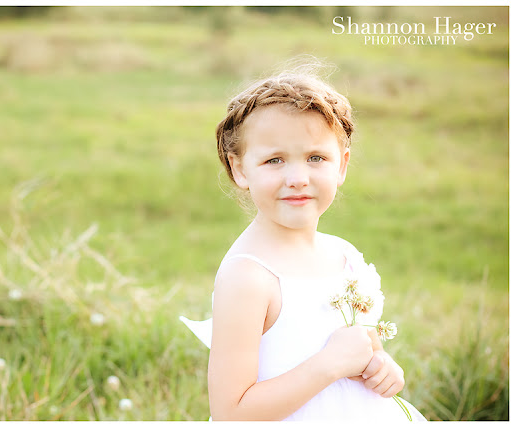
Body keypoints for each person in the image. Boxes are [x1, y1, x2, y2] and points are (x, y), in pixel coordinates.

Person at [180, 61, 426, 421]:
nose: (297, 177)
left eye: (315, 158)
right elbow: (231, 412)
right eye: (274, 160)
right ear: (240, 169)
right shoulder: (248, 277)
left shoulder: (344, 255)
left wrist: (383, 367)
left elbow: (362, 346)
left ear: (341, 165)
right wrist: (328, 365)